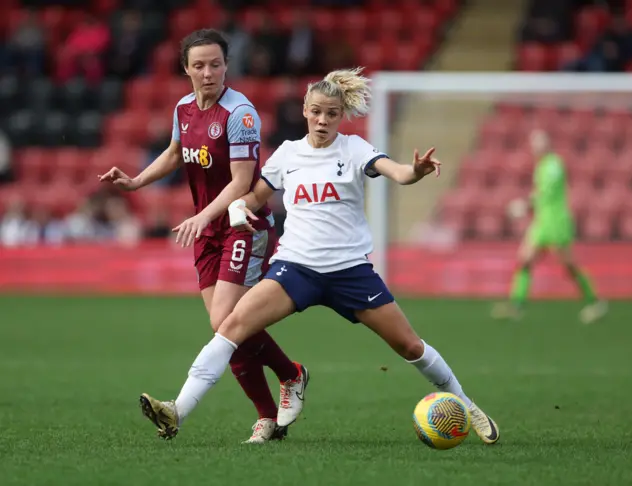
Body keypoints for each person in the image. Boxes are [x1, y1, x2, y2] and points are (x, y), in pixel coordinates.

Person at [145, 67, 501, 444]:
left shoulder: (354, 149)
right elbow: (254, 197)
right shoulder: (288, 154)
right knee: (230, 327)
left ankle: (466, 404)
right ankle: (178, 410)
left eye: (332, 113)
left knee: (410, 345)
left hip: (350, 272)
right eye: (316, 111)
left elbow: (396, 172)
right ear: (304, 110)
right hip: (295, 268)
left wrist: (414, 170)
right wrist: (238, 210)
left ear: (341, 115)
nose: (323, 120)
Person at [98, 29, 308, 444]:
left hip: (242, 225)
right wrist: (137, 181)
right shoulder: (183, 108)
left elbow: (242, 183)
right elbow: (176, 154)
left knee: (223, 324)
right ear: (185, 69)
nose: (208, 72)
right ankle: (269, 416)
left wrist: (202, 216)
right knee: (228, 329)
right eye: (199, 65)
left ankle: (291, 374)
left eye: (215, 64)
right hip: (208, 228)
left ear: (227, 65)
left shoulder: (241, 114)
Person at [492, 129, 608, 324]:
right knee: (525, 260)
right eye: (534, 143)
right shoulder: (542, 166)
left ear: (547, 144)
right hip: (541, 222)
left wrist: (524, 206)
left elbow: (545, 193)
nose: (536, 147)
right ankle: (516, 305)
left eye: (539, 143)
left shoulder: (554, 164)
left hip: (555, 222)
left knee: (568, 264)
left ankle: (595, 302)